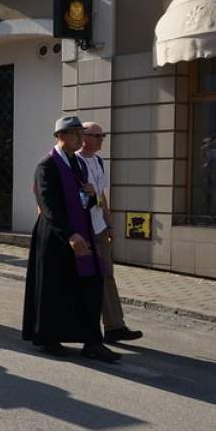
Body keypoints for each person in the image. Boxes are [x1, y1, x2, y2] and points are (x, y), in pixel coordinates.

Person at [21, 116, 121, 362]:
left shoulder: (76, 163)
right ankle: (50, 338)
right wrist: (70, 235)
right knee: (56, 290)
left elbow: (81, 200)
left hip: (80, 233)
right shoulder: (47, 166)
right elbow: (48, 206)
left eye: (81, 133)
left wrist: (88, 194)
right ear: (61, 136)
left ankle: (92, 342)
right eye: (76, 134)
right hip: (57, 238)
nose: (81, 138)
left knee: (91, 284)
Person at [77, 122, 143, 343]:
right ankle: (84, 328)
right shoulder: (75, 162)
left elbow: (101, 195)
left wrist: (109, 222)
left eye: (102, 136)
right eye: (97, 135)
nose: (101, 139)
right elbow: (79, 199)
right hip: (83, 230)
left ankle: (114, 326)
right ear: (83, 137)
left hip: (99, 227)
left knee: (107, 276)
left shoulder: (98, 161)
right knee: (86, 278)